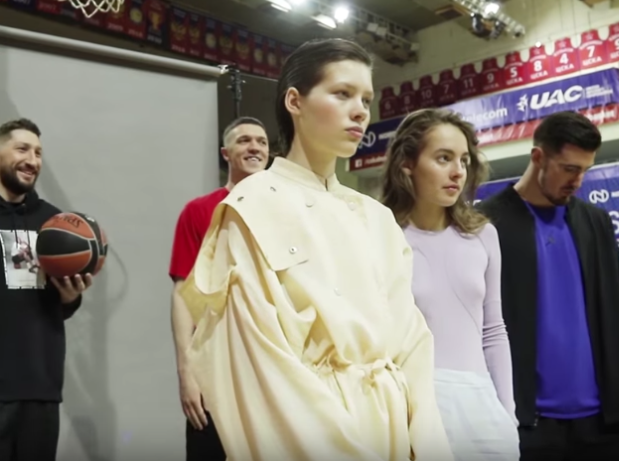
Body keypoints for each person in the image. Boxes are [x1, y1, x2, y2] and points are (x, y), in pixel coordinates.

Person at [178, 38, 452, 460]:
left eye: (366, 99)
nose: (360, 111)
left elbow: (412, 341)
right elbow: (260, 362)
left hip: (393, 427)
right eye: (342, 93)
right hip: (306, 432)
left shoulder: (377, 217)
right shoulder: (251, 207)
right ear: (295, 101)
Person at [476, 111, 619, 460]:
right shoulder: (487, 225)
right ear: (538, 157)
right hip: (529, 426)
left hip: (611, 421)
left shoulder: (596, 222)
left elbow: (618, 315)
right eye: (569, 169)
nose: (577, 180)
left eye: (584, 170)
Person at [0, 118, 92, 461]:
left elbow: (58, 302)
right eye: (22, 149)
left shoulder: (55, 223)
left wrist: (71, 298)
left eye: (38, 153)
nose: (32, 160)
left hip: (39, 387)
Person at [380, 108, 518, 461]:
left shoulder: (484, 235)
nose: (458, 171)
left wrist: (508, 412)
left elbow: (494, 330)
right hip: (414, 404)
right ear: (407, 163)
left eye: (464, 160)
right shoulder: (382, 236)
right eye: (443, 158)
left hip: (482, 402)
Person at [169, 116, 269, 461]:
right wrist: (187, 372)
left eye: (262, 141)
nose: (255, 147)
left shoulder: (288, 213)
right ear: (226, 153)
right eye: (244, 140)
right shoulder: (198, 212)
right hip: (215, 368)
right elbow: (183, 295)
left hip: (272, 369)